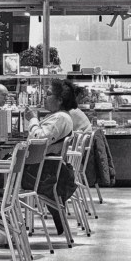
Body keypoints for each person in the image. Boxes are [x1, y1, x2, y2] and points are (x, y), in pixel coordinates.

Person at [24, 83, 78, 234]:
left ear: (59, 100)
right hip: (46, 170)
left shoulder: (60, 118)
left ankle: (0, 228)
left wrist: (33, 120)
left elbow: (40, 139)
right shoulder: (59, 117)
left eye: (48, 94)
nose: (44, 98)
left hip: (40, 173)